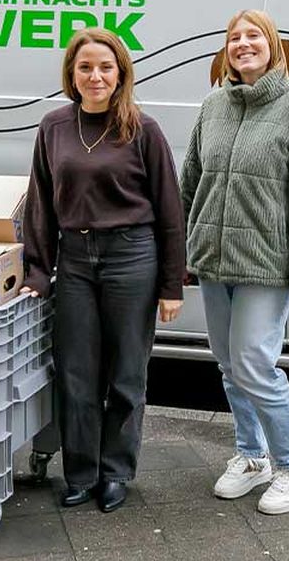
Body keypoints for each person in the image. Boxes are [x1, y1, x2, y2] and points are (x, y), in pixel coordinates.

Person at [22, 28, 185, 513]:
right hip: (74, 259)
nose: (95, 76)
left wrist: (171, 284)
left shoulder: (143, 130)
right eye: (85, 67)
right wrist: (37, 271)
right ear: (72, 74)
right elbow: (40, 206)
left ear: (121, 74)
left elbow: (170, 210)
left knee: (126, 373)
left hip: (132, 257)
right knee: (75, 372)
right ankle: (80, 472)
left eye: (105, 67)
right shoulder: (53, 126)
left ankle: (116, 472)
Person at [180, 9, 289, 515]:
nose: (243, 44)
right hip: (214, 260)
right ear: (226, 50)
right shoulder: (213, 106)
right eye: (234, 38)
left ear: (272, 46)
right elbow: (191, 182)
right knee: (229, 364)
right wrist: (179, 251)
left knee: (253, 363)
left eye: (253, 36)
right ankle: (252, 456)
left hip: (268, 265)